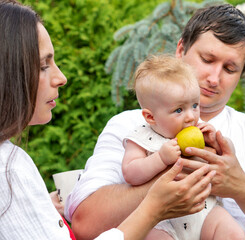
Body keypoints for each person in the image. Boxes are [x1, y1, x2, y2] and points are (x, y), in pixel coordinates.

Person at [66, 4, 245, 240]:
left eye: (229, 68)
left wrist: (242, 187)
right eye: (207, 59)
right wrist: (169, 179)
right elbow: (84, 224)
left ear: (241, 75)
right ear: (181, 50)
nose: (214, 78)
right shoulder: (131, 127)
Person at [0, 1, 216, 240]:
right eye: (43, 66)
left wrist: (40, 209)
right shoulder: (9, 168)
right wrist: (152, 209)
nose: (61, 78)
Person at [122, 54, 245, 240]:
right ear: (151, 117)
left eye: (194, 105)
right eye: (179, 110)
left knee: (232, 233)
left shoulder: (200, 130)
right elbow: (130, 173)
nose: (190, 116)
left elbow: (227, 158)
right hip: (163, 219)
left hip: (205, 210)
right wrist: (160, 159)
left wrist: (216, 141)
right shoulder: (141, 137)